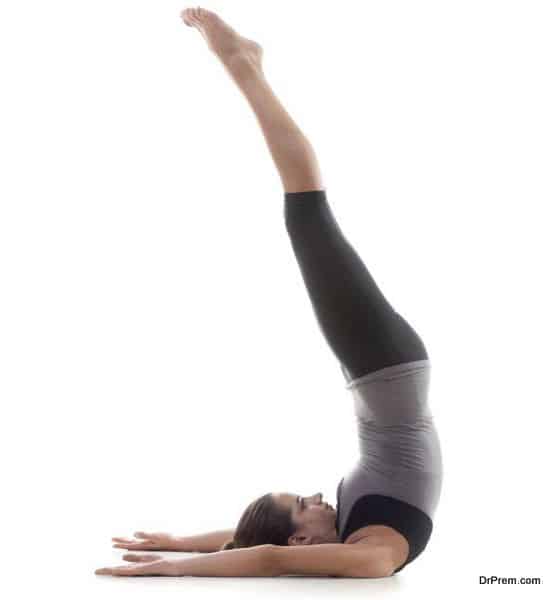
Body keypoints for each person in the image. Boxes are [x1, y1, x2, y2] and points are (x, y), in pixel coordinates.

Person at [95, 6, 443, 578]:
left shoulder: (344, 533)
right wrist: (169, 570)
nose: (314, 496)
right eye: (302, 506)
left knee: (307, 218)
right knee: (307, 214)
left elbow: (253, 539)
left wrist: (184, 542)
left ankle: (245, 65)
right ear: (308, 541)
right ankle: (244, 65)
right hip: (386, 364)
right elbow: (272, 555)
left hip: (378, 367)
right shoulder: (376, 553)